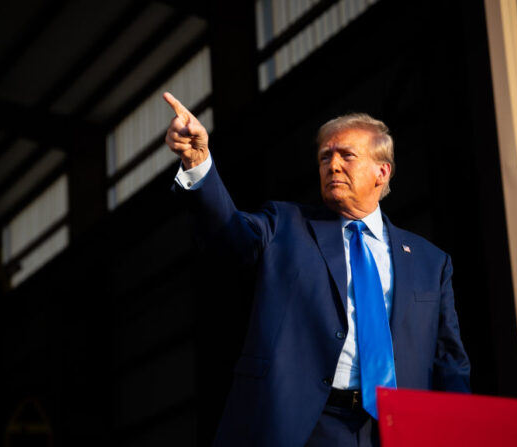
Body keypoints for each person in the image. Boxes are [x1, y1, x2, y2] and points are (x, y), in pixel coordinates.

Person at [163, 92, 470, 447]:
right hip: (305, 427)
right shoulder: (286, 226)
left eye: (347, 156)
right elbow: (228, 236)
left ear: (381, 172)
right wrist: (199, 162)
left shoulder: (431, 262)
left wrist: (458, 432)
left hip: (394, 432)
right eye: (325, 157)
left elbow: (449, 361)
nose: (333, 165)